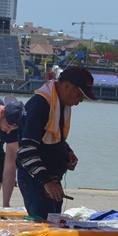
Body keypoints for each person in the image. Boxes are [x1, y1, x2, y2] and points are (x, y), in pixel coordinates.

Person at [16, 65, 97, 220]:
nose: (80, 101)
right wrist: (47, 182)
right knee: (42, 223)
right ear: (67, 87)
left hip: (52, 177)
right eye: (80, 96)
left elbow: (53, 136)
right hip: (37, 179)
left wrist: (67, 152)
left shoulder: (60, 104)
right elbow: (26, 151)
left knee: (53, 221)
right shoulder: (41, 105)